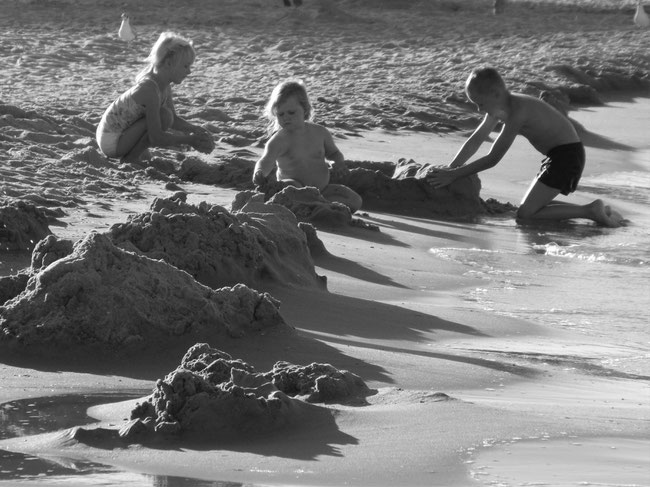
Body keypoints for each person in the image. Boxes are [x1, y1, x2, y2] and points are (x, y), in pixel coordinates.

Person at [426, 67, 624, 227]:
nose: (479, 109)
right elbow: (477, 138)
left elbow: (494, 157)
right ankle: (591, 209)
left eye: (479, 103)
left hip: (567, 157)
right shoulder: (498, 105)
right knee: (532, 207)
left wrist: (454, 175)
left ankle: (590, 211)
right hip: (559, 155)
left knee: (526, 214)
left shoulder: (517, 111)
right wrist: (452, 167)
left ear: (495, 93)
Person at [96, 32, 213, 163]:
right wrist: (190, 140)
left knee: (167, 116)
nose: (189, 71)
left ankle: (134, 154)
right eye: (185, 66)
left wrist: (195, 129)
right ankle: (131, 158)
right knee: (164, 116)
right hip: (112, 141)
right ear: (169, 63)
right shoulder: (150, 89)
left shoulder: (163, 85)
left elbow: (173, 120)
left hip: (121, 134)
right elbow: (156, 137)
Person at [252, 80, 362, 213]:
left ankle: (320, 205)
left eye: (291, 112)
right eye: (281, 114)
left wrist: (338, 163)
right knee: (292, 186)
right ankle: (305, 206)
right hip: (293, 190)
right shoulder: (279, 140)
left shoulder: (320, 132)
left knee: (354, 200)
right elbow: (266, 161)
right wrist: (259, 173)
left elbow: (333, 154)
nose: (286, 117)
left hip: (322, 190)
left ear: (305, 109)